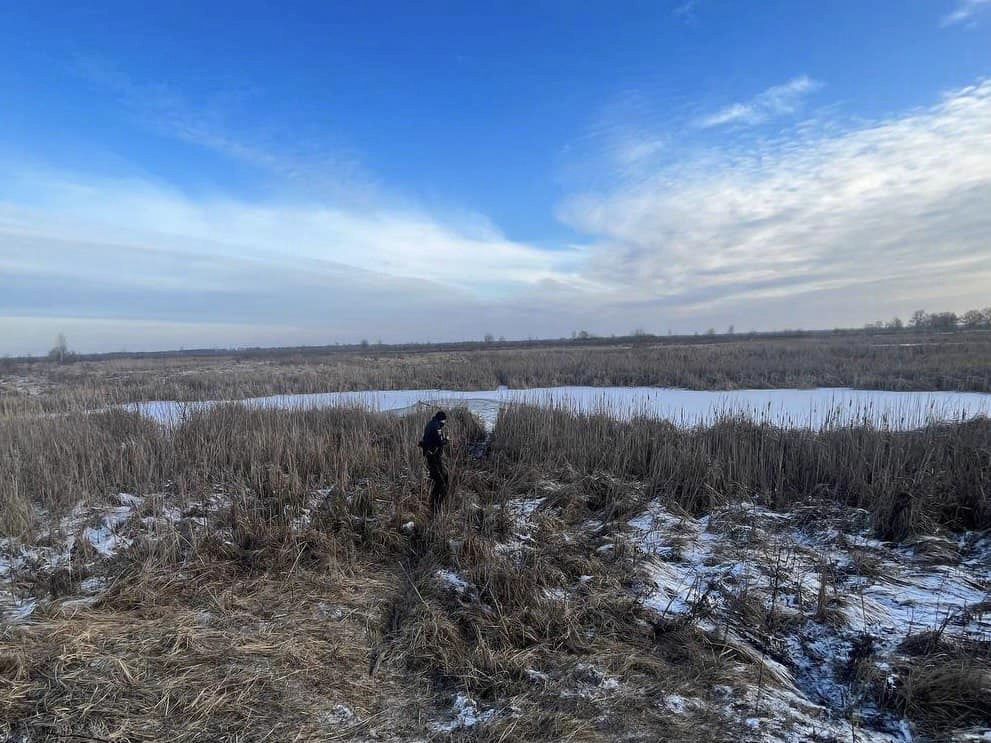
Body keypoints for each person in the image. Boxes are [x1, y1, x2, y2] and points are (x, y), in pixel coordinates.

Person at [419, 410, 450, 512]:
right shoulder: (437, 427)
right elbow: (439, 442)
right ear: (442, 420)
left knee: (437, 473)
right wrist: (446, 440)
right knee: (440, 478)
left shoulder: (430, 423)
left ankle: (436, 494)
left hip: (429, 452)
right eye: (444, 421)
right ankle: (437, 500)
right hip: (433, 454)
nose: (444, 424)